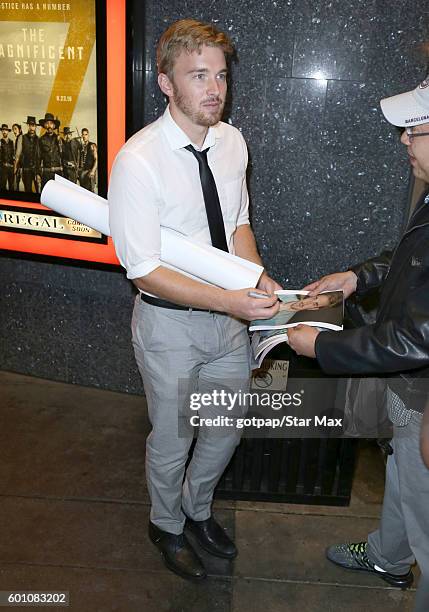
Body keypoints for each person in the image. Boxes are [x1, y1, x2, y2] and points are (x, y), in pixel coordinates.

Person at [109, 18, 280, 581]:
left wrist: (256, 278)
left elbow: (238, 223)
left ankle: (197, 510)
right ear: (166, 83)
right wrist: (229, 301)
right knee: (174, 436)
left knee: (225, 428)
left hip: (227, 322)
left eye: (221, 76)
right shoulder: (139, 160)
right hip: (169, 328)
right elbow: (144, 270)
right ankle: (166, 522)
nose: (214, 89)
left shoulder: (232, 142)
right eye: (198, 75)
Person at [288, 76, 429, 612]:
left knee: (424, 507)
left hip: (422, 391)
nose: (403, 140)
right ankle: (388, 558)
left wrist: (322, 348)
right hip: (410, 391)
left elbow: (417, 337)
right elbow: (412, 263)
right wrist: (356, 276)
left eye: (413, 129)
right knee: (401, 476)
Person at [38, 112, 63, 189]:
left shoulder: (60, 140)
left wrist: (60, 143)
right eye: (47, 123)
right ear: (45, 125)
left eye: (51, 123)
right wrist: (38, 174)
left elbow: (64, 157)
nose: (49, 126)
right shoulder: (41, 140)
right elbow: (38, 158)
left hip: (58, 174)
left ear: (54, 126)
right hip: (46, 174)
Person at [18, 116, 40, 194]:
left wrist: (38, 171)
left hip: (36, 170)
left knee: (38, 191)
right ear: (28, 126)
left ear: (35, 126)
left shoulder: (39, 139)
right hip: (26, 169)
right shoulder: (23, 138)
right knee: (27, 191)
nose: (31, 127)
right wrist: (20, 167)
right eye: (30, 125)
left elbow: (40, 156)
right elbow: (19, 154)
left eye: (33, 125)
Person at [0, 124, 15, 191]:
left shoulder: (11, 142)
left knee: (11, 187)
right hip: (3, 168)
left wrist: (14, 166)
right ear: (1, 131)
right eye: (3, 130)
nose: (4, 132)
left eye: (6, 130)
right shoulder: (0, 142)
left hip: (11, 167)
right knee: (3, 186)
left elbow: (14, 154)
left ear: (8, 131)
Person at [12, 123, 23, 191]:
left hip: (21, 165)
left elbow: (18, 153)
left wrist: (15, 166)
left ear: (20, 129)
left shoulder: (20, 137)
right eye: (13, 129)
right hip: (20, 164)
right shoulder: (18, 138)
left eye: (15, 129)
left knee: (16, 184)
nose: (14, 131)